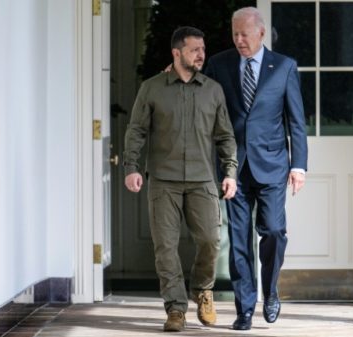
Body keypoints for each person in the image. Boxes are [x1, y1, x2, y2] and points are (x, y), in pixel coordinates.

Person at [123, 26, 238, 332]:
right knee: (166, 247)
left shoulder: (212, 90)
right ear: (176, 53)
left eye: (203, 49)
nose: (202, 55)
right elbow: (137, 130)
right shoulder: (152, 88)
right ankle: (175, 308)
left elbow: (225, 136)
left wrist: (230, 172)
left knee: (211, 240)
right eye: (194, 50)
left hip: (203, 180)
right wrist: (131, 166)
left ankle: (203, 289)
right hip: (164, 181)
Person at [204, 7, 308, 331]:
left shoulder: (284, 67)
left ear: (261, 34)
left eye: (244, 35)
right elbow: (204, 104)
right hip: (233, 167)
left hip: (273, 164)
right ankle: (245, 308)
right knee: (238, 241)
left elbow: (296, 121)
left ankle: (271, 288)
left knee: (274, 230)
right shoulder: (219, 65)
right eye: (234, 34)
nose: (238, 41)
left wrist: (299, 166)